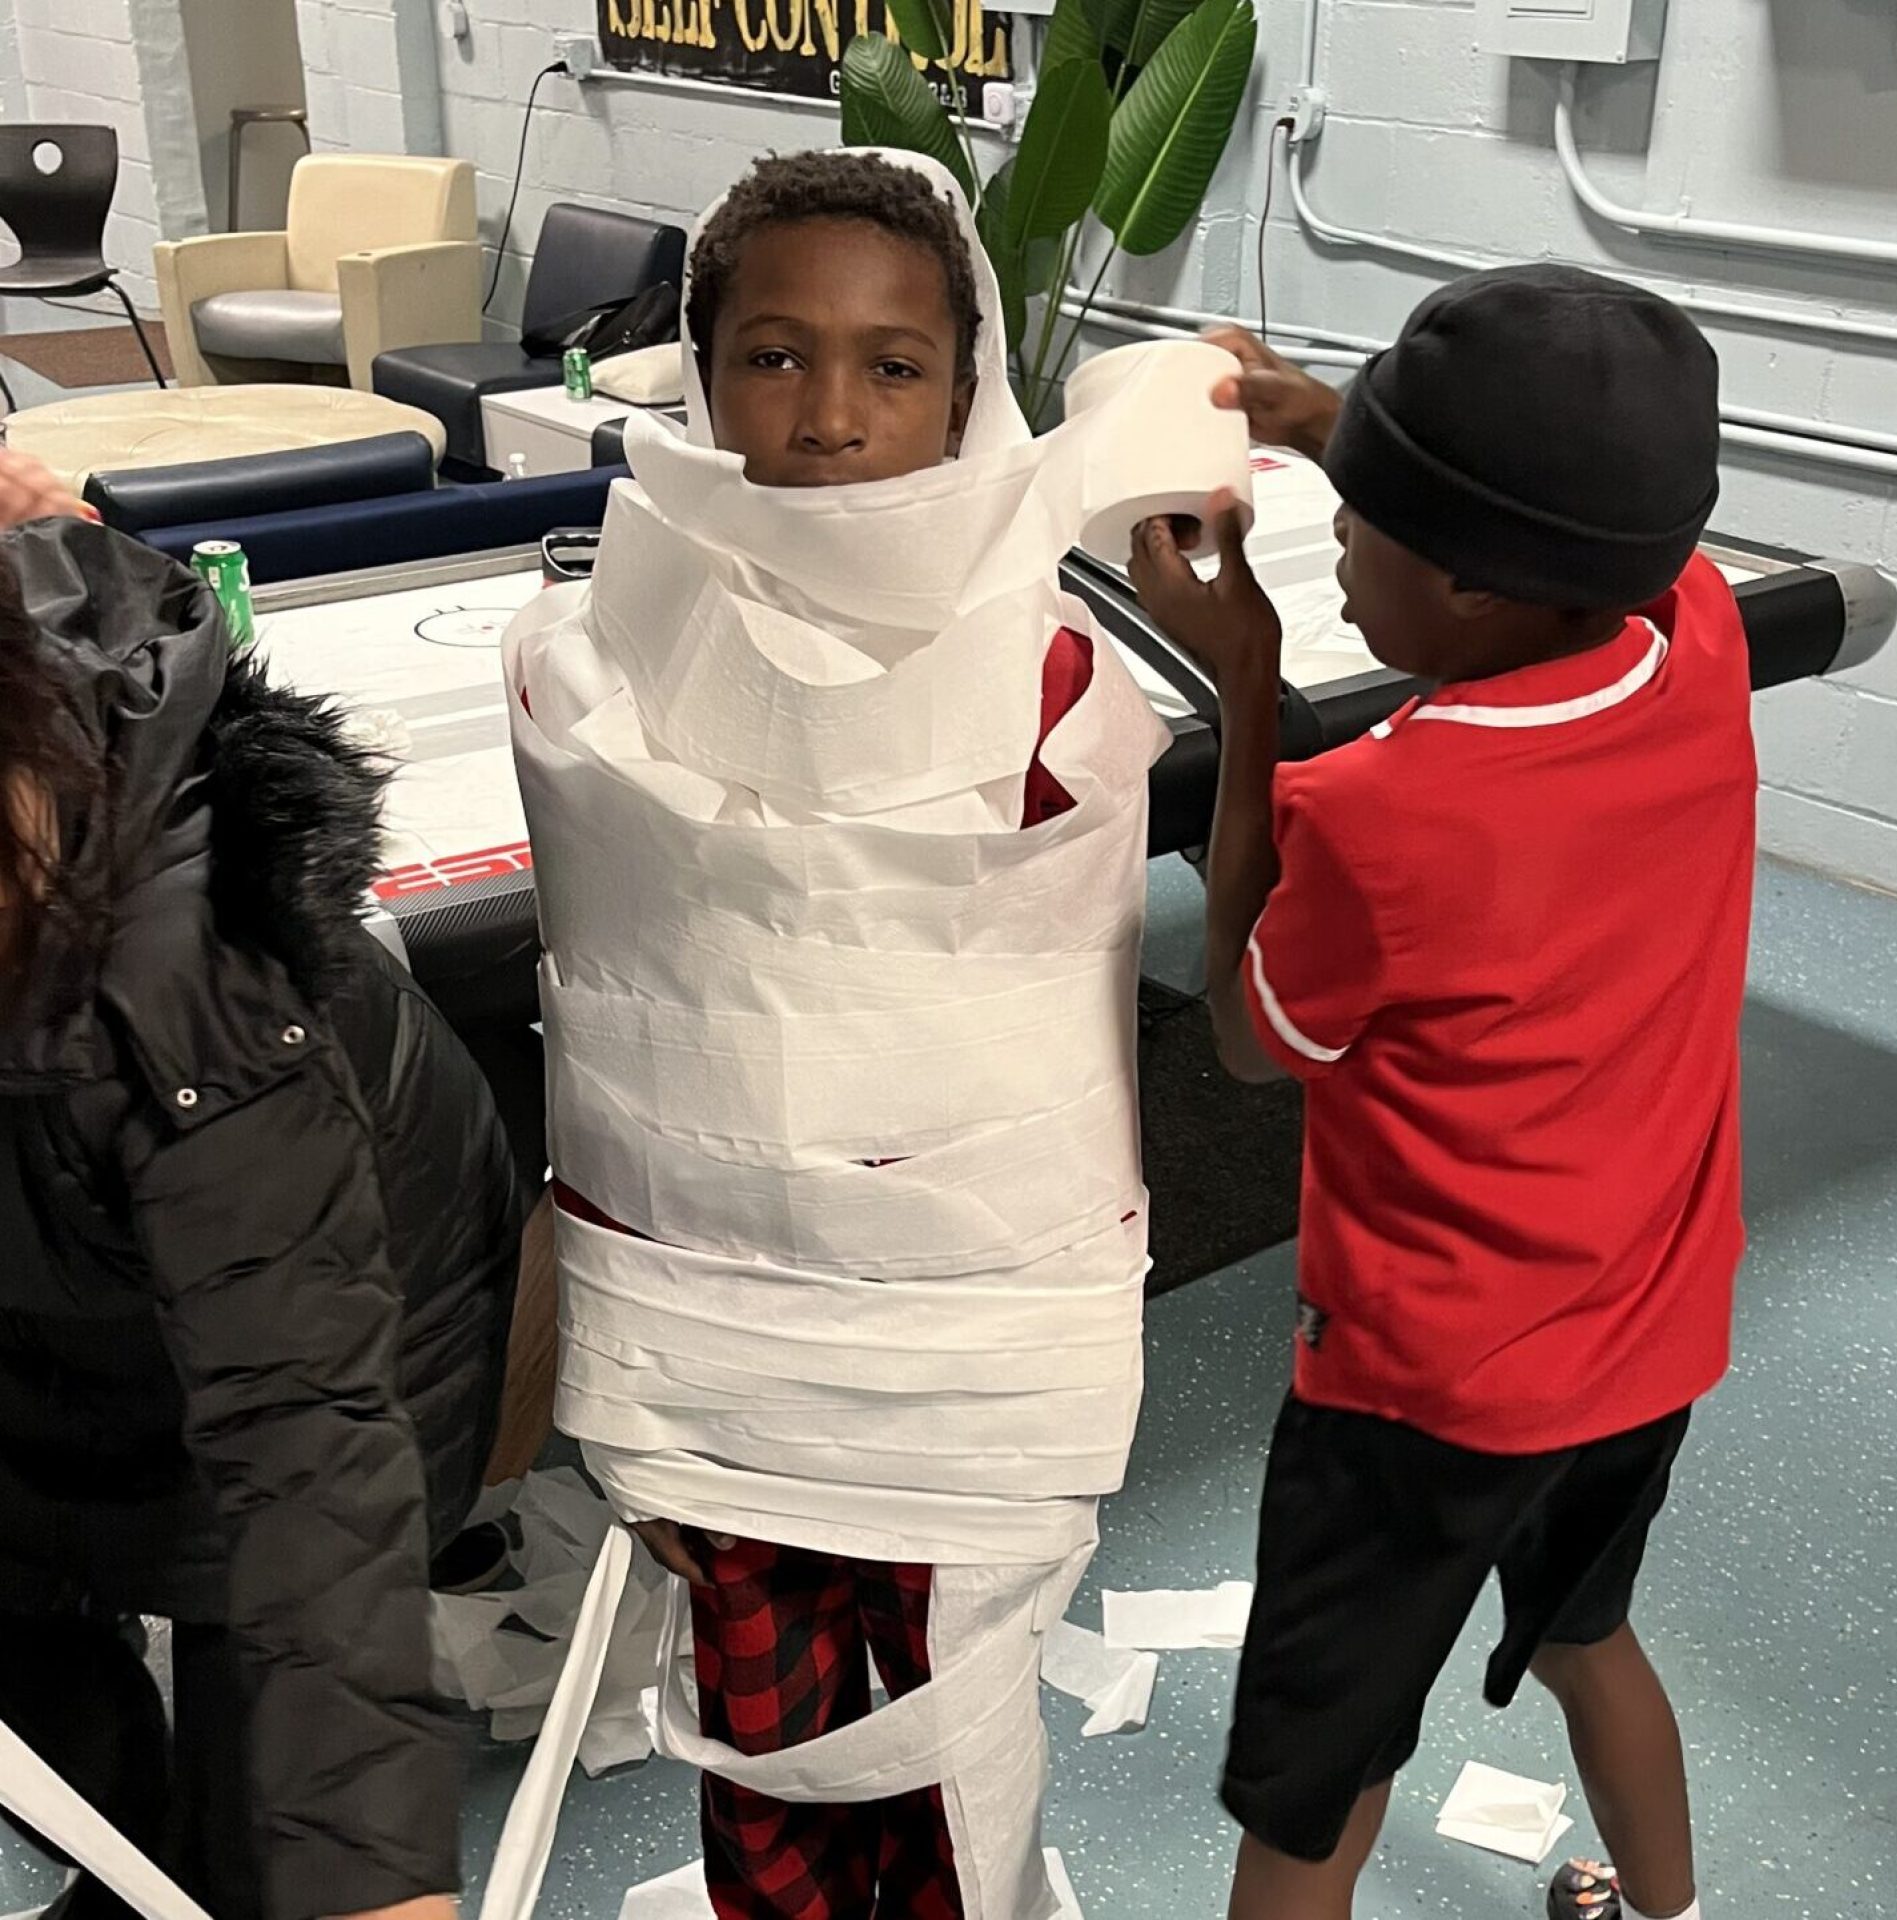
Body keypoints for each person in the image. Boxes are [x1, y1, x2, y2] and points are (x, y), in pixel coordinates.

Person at [507, 150, 1171, 1919]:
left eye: (893, 365)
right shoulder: (576, 666)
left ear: (969, 393)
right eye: (773, 355)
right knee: (766, 1735)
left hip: (978, 1334)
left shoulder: (1055, 686)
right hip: (708, 1325)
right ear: (701, 371)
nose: (826, 418)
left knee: (958, 1730)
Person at [1129, 267, 1750, 1920]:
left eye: (1364, 517)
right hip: (1643, 1334)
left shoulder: (1387, 813)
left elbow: (1253, 1042)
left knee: (1318, 1780)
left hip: (1423, 1398)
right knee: (1585, 1631)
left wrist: (1248, 682)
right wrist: (1331, 422)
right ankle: (1665, 1909)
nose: (1337, 532)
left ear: (1474, 579)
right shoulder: (1694, 639)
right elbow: (1577, 525)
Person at [0, 497, 523, 1920]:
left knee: (273, 1820)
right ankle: (128, 1844)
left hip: (350, 1298)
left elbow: (317, 1467)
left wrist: (372, 1882)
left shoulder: (188, 980)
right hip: (66, 1302)